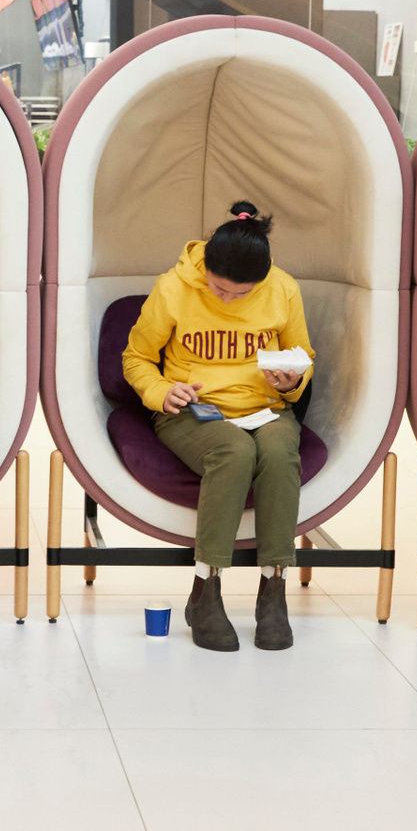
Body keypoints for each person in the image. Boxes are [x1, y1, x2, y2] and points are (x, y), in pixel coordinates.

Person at [122, 203, 313, 652]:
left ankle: (273, 591)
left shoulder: (283, 289)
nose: (226, 299)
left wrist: (291, 383)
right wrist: (161, 391)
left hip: (265, 407)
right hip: (194, 410)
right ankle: (205, 590)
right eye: (218, 289)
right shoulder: (173, 287)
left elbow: (302, 356)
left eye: (240, 294)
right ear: (205, 267)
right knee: (234, 452)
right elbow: (137, 358)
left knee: (279, 454)